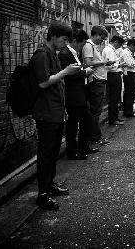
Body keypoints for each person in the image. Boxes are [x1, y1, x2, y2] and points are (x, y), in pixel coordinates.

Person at [31, 22, 81, 210]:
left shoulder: (53, 54)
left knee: (52, 152)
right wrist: (66, 72)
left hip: (56, 111)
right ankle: (42, 194)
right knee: (46, 154)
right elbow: (43, 83)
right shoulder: (42, 55)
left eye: (68, 40)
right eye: (63, 39)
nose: (65, 43)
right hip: (46, 112)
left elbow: (56, 82)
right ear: (53, 36)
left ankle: (49, 185)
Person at [58, 29, 93, 160]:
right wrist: (85, 72)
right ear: (74, 41)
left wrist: (83, 69)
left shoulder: (73, 53)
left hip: (80, 93)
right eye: (82, 44)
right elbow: (68, 74)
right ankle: (72, 151)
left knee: (85, 120)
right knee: (73, 124)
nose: (83, 47)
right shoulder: (65, 54)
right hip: (73, 95)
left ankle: (83, 147)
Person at [82, 25, 111, 146]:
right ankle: (95, 137)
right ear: (97, 35)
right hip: (95, 81)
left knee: (96, 111)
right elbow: (88, 62)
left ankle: (95, 136)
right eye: (102, 38)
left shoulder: (93, 46)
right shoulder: (89, 45)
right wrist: (103, 62)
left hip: (99, 80)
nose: (102, 40)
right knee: (95, 111)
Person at [103, 35, 126, 125]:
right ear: (116, 42)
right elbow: (110, 66)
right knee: (114, 98)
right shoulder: (109, 50)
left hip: (113, 75)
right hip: (112, 75)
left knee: (115, 97)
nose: (119, 47)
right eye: (119, 45)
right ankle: (113, 119)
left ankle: (114, 117)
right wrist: (120, 65)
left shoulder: (110, 49)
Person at [121, 38, 135, 117]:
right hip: (129, 74)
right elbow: (130, 64)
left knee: (131, 93)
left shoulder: (129, 53)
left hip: (131, 73)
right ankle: (128, 112)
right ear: (131, 45)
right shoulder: (126, 52)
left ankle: (129, 111)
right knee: (129, 93)